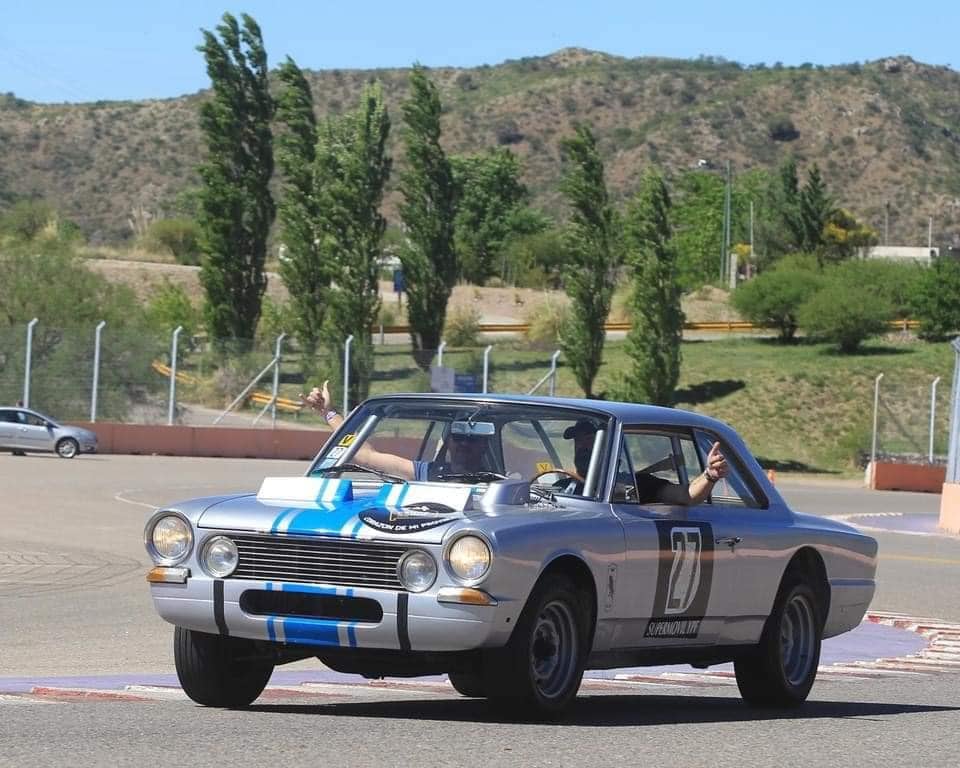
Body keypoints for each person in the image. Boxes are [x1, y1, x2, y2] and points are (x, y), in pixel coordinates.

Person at [302, 381, 493, 482]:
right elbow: (364, 454)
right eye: (458, 437)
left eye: (472, 439)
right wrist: (329, 413)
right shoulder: (428, 473)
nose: (464, 445)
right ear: (449, 441)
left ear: (484, 444)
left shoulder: (497, 484)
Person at [561, 419, 729, 505]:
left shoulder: (636, 486)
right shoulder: (565, 485)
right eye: (578, 440)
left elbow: (687, 495)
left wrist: (710, 475)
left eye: (590, 440)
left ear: (609, 446)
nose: (582, 446)